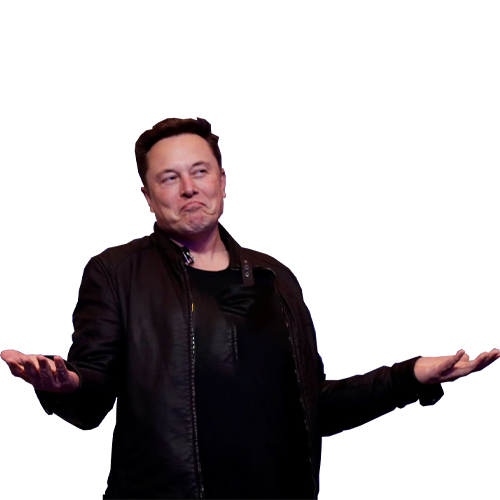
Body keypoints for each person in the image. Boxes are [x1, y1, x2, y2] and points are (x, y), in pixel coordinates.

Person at [2, 118, 499, 500]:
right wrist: (67, 385)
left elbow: (314, 406)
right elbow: (94, 392)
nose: (189, 187)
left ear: (222, 180)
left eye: (200, 171)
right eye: (170, 178)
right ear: (148, 197)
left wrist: (411, 376)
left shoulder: (274, 279)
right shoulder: (116, 273)